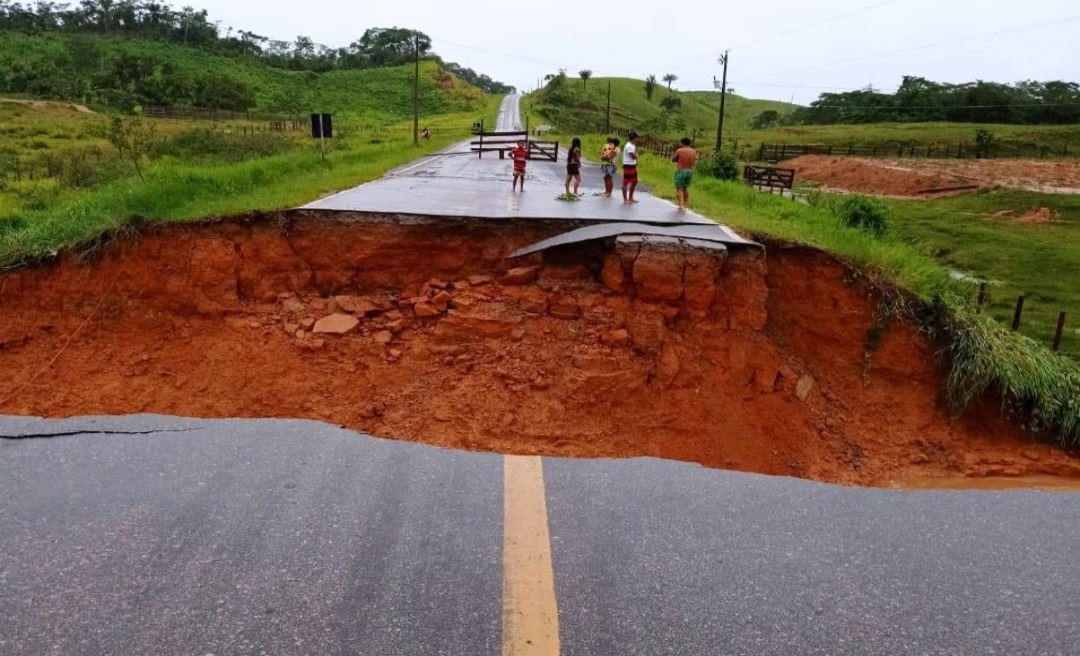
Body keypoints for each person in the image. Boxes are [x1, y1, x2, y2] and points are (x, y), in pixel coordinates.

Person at [671, 137, 698, 211]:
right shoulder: (694, 151)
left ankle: (681, 205)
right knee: (685, 188)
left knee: (679, 188)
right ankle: (685, 204)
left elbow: (674, 159)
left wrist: (675, 158)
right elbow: (694, 160)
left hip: (681, 170)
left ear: (682, 143)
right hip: (690, 171)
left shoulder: (680, 150)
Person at [622, 131, 640, 204]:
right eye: (637, 138)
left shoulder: (633, 145)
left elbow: (635, 154)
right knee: (626, 182)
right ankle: (625, 199)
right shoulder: (628, 146)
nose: (638, 139)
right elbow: (634, 156)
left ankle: (631, 197)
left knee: (634, 181)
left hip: (633, 165)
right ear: (634, 138)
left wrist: (636, 156)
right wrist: (637, 156)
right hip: (628, 165)